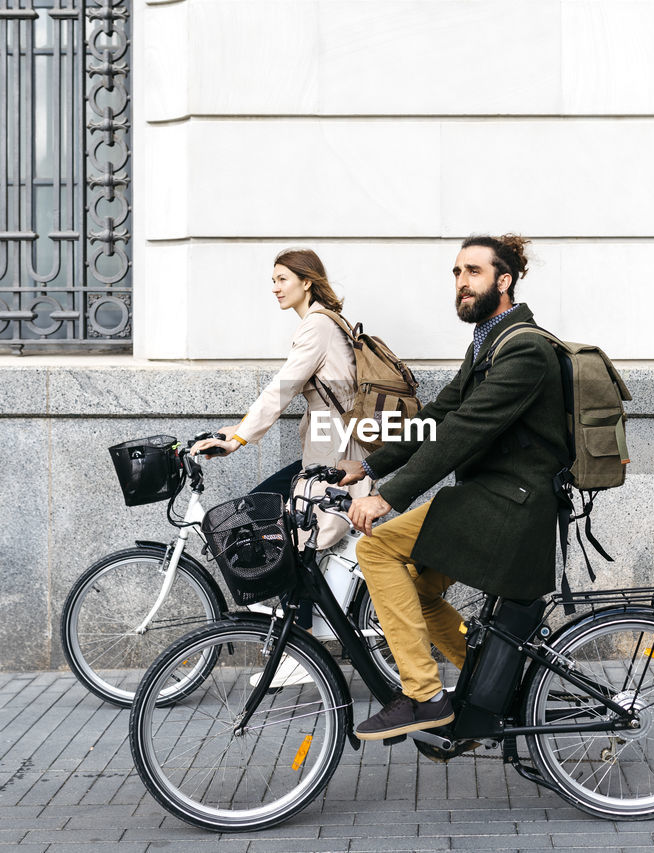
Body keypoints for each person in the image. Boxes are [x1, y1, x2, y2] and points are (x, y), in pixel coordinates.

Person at [336, 233, 567, 740]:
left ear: (503, 281)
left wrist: (389, 496)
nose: (462, 283)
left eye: (474, 272)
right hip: (489, 498)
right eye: (457, 273)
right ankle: (499, 684)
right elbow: (439, 416)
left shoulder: (524, 349)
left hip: (511, 504)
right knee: (413, 588)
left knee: (376, 552)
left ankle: (423, 695)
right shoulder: (489, 341)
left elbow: (464, 433)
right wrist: (370, 467)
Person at [192, 248, 372, 548]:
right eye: (273, 280)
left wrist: (238, 440)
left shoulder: (318, 326)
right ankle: (301, 594)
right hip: (332, 445)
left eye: (282, 279)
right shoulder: (327, 322)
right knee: (271, 515)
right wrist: (238, 429)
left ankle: (302, 597)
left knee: (286, 528)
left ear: (306, 282)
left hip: (336, 451)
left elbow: (282, 388)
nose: (275, 287)